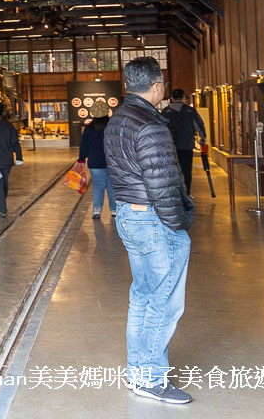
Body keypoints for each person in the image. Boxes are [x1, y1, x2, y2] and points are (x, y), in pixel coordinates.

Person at [105, 57, 195, 405]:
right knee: (164, 303)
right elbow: (163, 184)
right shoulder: (151, 125)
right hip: (154, 221)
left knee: (142, 296)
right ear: (156, 86)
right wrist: (181, 221)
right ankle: (151, 379)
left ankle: (138, 371)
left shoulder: (119, 120)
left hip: (129, 215)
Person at [162, 89, 207, 192]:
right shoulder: (190, 111)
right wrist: (202, 138)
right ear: (183, 98)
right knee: (186, 171)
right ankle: (186, 192)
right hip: (187, 145)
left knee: (172, 171)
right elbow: (199, 125)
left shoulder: (166, 112)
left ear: (172, 98)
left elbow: (160, 128)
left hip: (170, 147)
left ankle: (175, 192)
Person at [78, 115, 116, 219]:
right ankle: (114, 210)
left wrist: (81, 159)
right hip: (111, 162)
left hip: (95, 162)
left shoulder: (89, 127)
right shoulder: (112, 126)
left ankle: (97, 210)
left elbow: (84, 144)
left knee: (97, 186)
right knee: (111, 187)